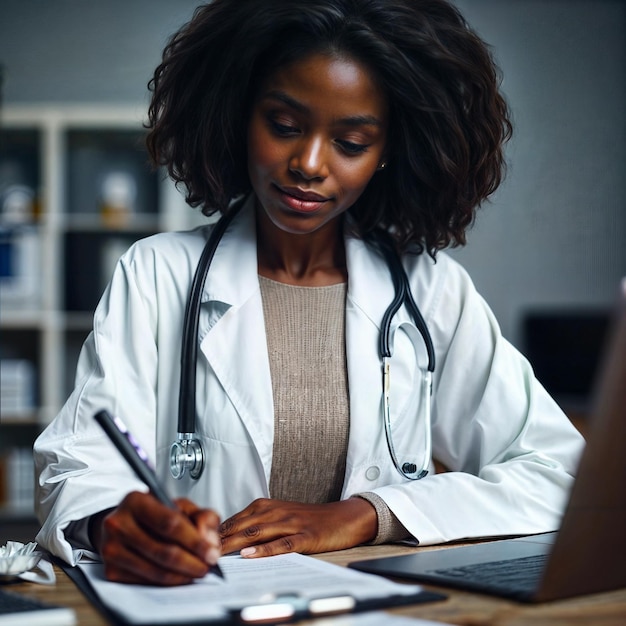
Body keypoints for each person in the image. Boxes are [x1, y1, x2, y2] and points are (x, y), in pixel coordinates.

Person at [34, 0, 584, 587]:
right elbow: (78, 465)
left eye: (350, 142)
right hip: (207, 605)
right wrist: (113, 522)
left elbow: (560, 473)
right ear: (239, 114)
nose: (309, 164)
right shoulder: (157, 274)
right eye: (285, 126)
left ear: (387, 155)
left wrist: (369, 514)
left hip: (376, 607)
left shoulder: (429, 289)